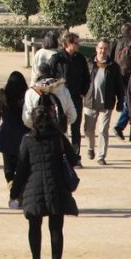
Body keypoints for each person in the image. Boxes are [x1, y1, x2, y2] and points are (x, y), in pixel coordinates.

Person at [10, 104, 79, 259]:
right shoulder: (59, 138)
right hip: (57, 188)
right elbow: (74, 158)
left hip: (34, 189)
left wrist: (14, 192)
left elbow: (21, 170)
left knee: (34, 227)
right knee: (56, 228)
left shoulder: (27, 140)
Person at [0, 71, 29, 208]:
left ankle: (12, 187)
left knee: (9, 168)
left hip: (6, 135)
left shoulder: (2, 96)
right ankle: (20, 193)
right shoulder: (26, 96)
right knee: (23, 167)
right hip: (23, 135)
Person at [83, 39, 124, 165]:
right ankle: (90, 148)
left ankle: (101, 156)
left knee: (102, 130)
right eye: (100, 48)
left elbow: (119, 85)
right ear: (96, 49)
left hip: (106, 103)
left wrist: (120, 101)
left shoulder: (113, 67)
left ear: (108, 50)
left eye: (105, 48)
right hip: (90, 101)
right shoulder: (89, 63)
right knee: (88, 129)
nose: (103, 51)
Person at [59, 33, 90, 163]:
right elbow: (50, 75)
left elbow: (86, 77)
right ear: (68, 44)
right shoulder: (58, 58)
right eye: (76, 43)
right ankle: (62, 155)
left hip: (76, 97)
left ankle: (75, 156)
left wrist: (84, 91)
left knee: (76, 127)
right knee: (61, 127)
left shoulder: (81, 59)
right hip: (61, 98)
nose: (78, 45)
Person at [109, 23, 131, 141]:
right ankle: (121, 127)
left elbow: (111, 59)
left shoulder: (116, 42)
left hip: (119, 76)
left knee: (128, 102)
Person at [22, 61, 76, 133]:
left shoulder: (31, 92)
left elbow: (27, 118)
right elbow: (72, 115)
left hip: (39, 136)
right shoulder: (63, 90)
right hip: (59, 136)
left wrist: (36, 127)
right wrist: (59, 123)